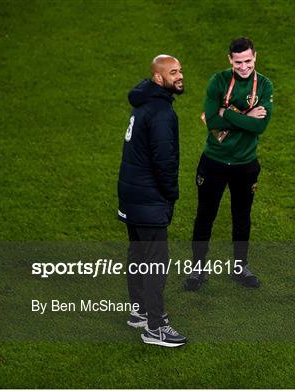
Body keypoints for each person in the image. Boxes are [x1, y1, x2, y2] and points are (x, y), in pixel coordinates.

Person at [184, 37, 273, 291]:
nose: (244, 66)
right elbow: (211, 120)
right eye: (238, 62)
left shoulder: (265, 85)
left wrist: (227, 114)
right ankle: (197, 269)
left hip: (245, 164)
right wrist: (244, 115)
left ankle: (240, 267)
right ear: (229, 60)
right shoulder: (218, 81)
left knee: (242, 216)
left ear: (255, 56)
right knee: (205, 215)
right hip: (214, 161)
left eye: (248, 61)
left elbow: (261, 125)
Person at [117, 54, 187, 347]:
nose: (180, 75)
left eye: (180, 70)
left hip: (131, 194)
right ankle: (155, 327)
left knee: (138, 254)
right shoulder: (161, 112)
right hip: (148, 198)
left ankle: (139, 311)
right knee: (156, 261)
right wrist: (171, 194)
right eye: (173, 72)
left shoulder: (142, 103)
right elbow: (164, 161)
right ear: (159, 79)